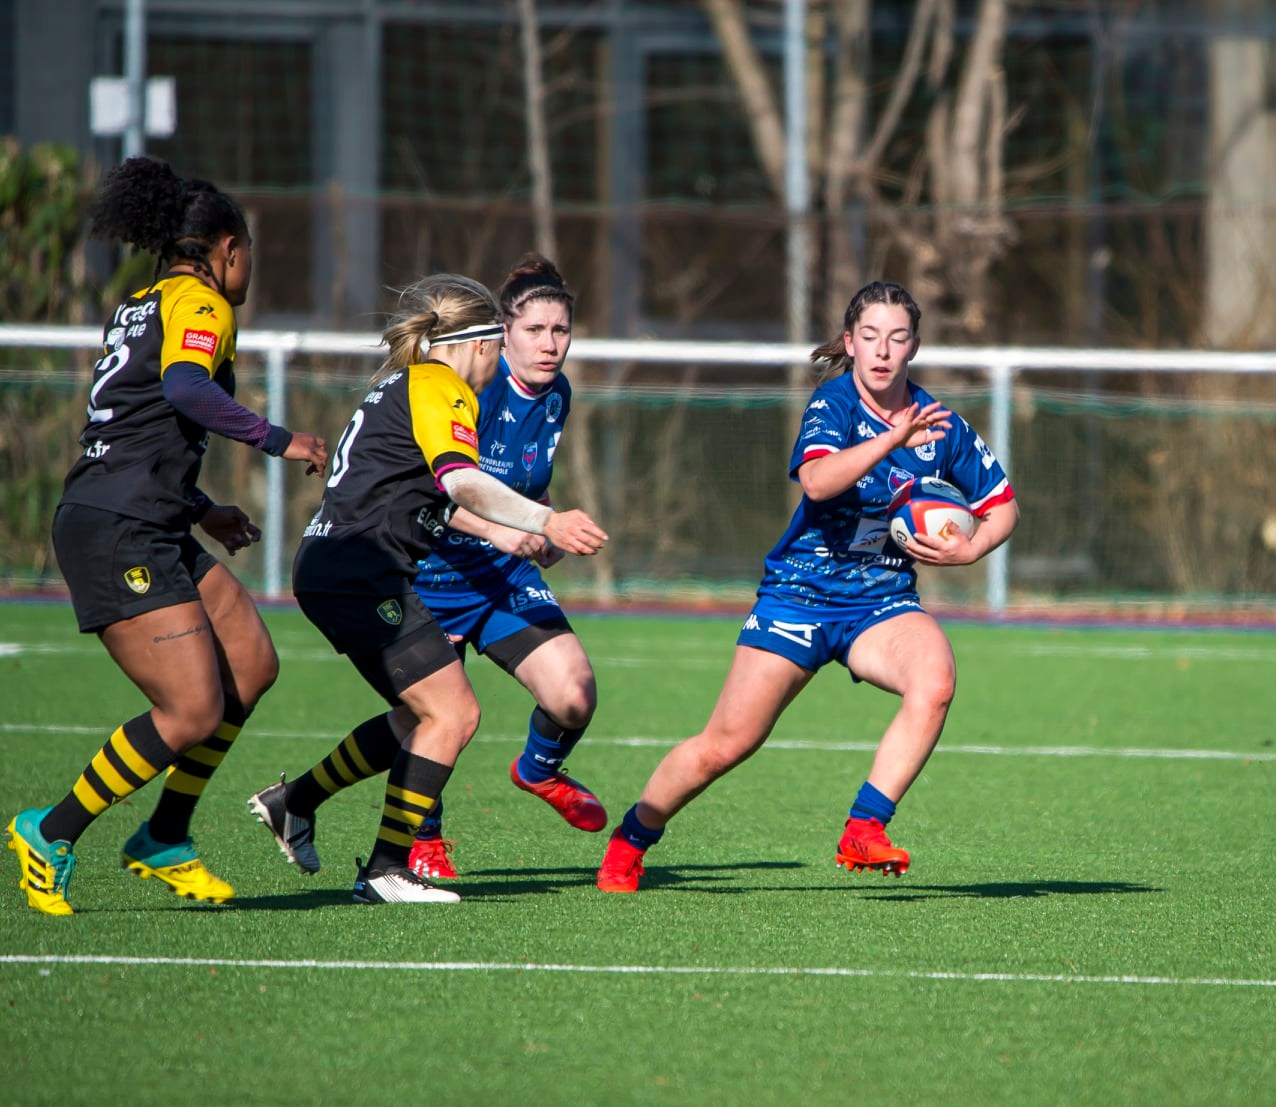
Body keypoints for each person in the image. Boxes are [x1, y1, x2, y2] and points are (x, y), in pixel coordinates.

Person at [594, 280, 1019, 892]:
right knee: (725, 745)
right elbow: (818, 482)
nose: (882, 350)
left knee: (936, 681)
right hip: (800, 594)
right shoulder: (834, 404)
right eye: (869, 337)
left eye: (897, 339)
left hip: (881, 601)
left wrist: (972, 546)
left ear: (914, 347)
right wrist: (891, 441)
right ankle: (633, 837)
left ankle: (865, 827)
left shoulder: (940, 423)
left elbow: (1002, 505)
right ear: (849, 342)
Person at [7, 157, 328, 916]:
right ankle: (49, 830)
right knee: (190, 711)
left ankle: (166, 834)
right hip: (118, 528)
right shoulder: (202, 304)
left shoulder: (144, 302)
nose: (247, 267)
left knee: (248, 665)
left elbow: (138, 425)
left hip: (141, 514)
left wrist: (200, 507)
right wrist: (278, 439)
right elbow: (184, 389)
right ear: (226, 248)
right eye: (246, 251)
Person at [248, 274, 607, 904]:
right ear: (474, 343)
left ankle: (297, 804)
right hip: (362, 570)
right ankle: (388, 868)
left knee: (425, 711)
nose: (504, 354)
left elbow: (414, 494)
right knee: (452, 712)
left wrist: (524, 528)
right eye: (501, 339)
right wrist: (543, 521)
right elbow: (462, 485)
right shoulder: (443, 386)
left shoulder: (406, 382)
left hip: (349, 565)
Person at [377, 255, 603, 879]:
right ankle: (422, 839)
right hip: (430, 579)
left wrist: (545, 526)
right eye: (536, 331)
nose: (550, 345)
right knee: (430, 717)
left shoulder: (556, 393)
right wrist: (509, 531)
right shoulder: (470, 385)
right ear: (503, 333)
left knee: (574, 696)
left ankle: (538, 769)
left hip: (502, 580)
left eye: (560, 331)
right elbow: (434, 493)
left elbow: (531, 488)